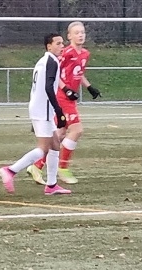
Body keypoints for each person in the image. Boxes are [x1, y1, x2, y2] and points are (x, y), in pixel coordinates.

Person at [27, 21, 101, 185]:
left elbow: (78, 73)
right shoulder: (66, 53)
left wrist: (89, 87)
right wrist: (66, 89)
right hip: (62, 97)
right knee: (77, 130)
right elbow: (55, 73)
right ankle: (63, 167)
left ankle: (36, 166)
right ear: (69, 36)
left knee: (58, 135)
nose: (80, 35)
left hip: (70, 99)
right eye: (76, 33)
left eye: (82, 32)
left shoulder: (85, 54)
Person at [0, 33, 72, 196]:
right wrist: (58, 110)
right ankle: (10, 170)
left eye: (62, 43)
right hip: (43, 110)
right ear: (49, 46)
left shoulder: (42, 61)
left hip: (40, 108)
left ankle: (51, 185)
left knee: (55, 145)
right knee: (43, 148)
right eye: (58, 43)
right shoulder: (52, 61)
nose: (62, 46)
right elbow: (48, 87)